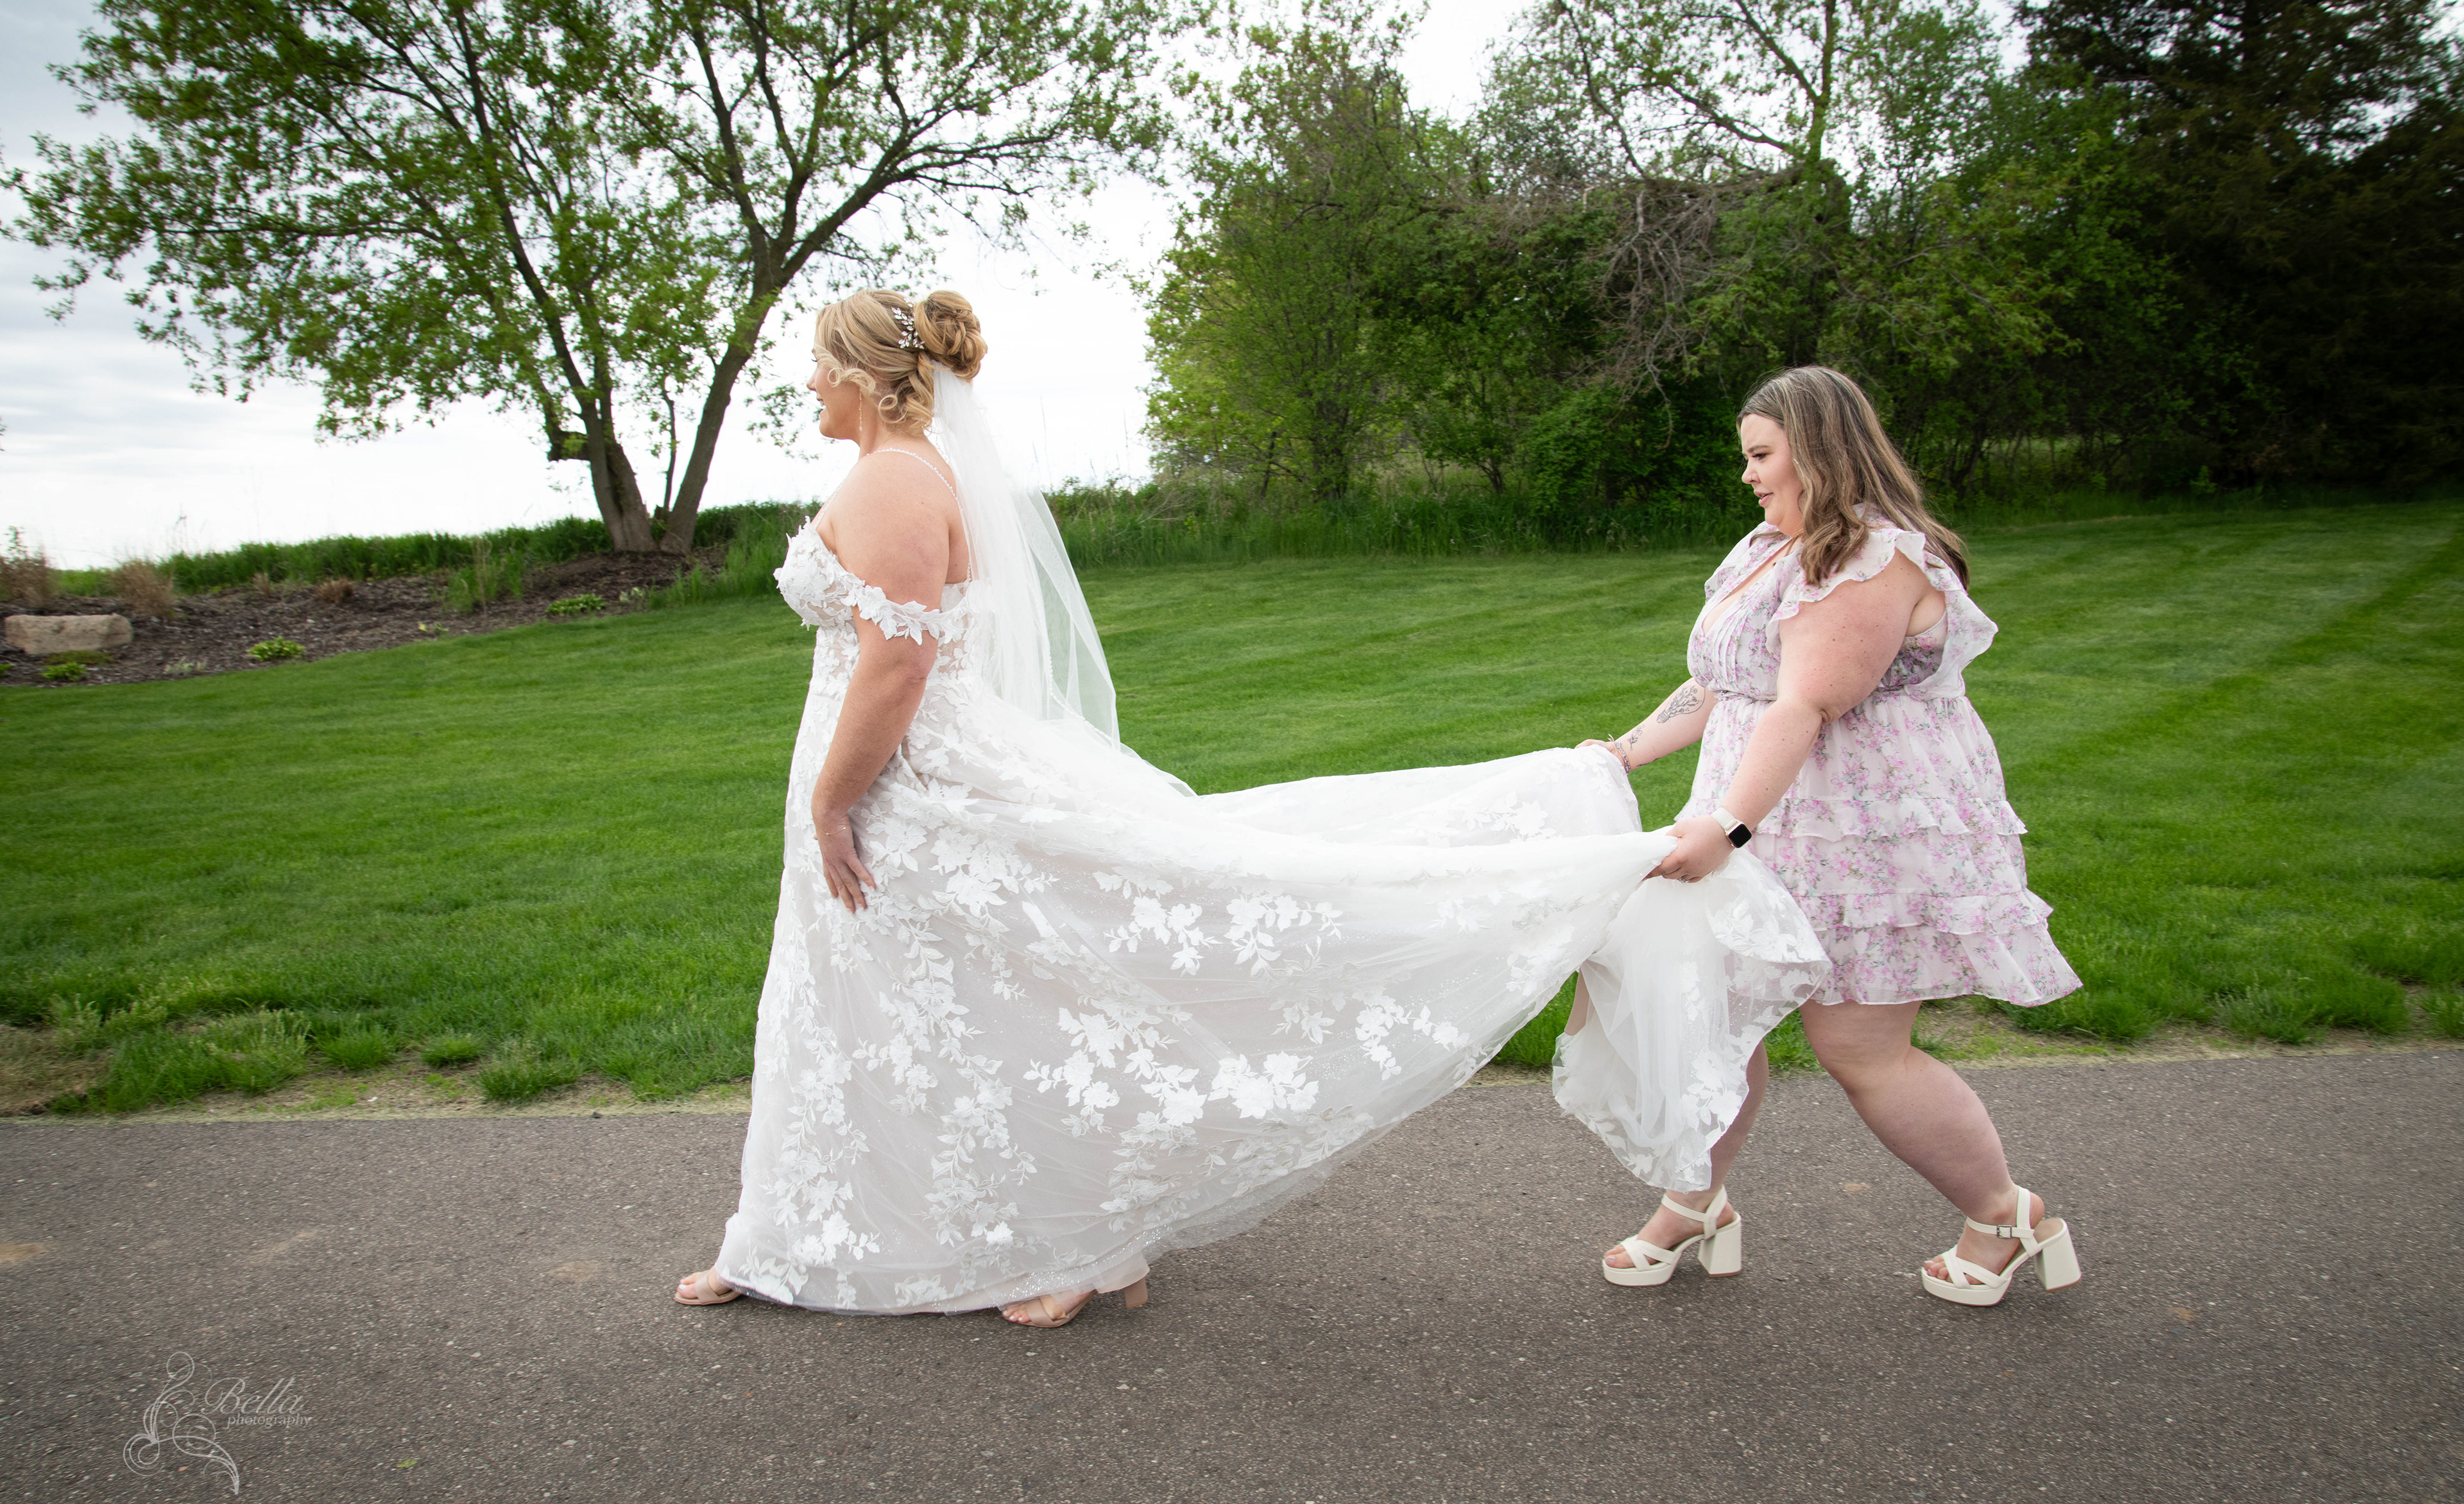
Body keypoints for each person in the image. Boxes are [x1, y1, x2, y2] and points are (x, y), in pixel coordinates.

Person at [673, 289, 1823, 1326]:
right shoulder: (919, 471)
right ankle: (801, 1235)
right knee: (935, 1001)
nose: (807, 385)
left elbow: (896, 665)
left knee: (1021, 989)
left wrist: (834, 802)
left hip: (909, 784)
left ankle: (1068, 1237)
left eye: (816, 365)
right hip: (914, 777)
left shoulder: (891, 480)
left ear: (862, 373)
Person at [1559, 365, 2085, 1308]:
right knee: (1714, 1021)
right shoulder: (1768, 546)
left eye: (1762, 455)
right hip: (1759, 813)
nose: (1749, 476)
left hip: (1856, 838)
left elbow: (1805, 703)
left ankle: (2007, 1218)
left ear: (1817, 449)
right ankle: (1695, 1204)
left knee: (1859, 1049)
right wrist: (1622, 754)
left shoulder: (1877, 559)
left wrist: (1727, 826)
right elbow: (1725, 680)